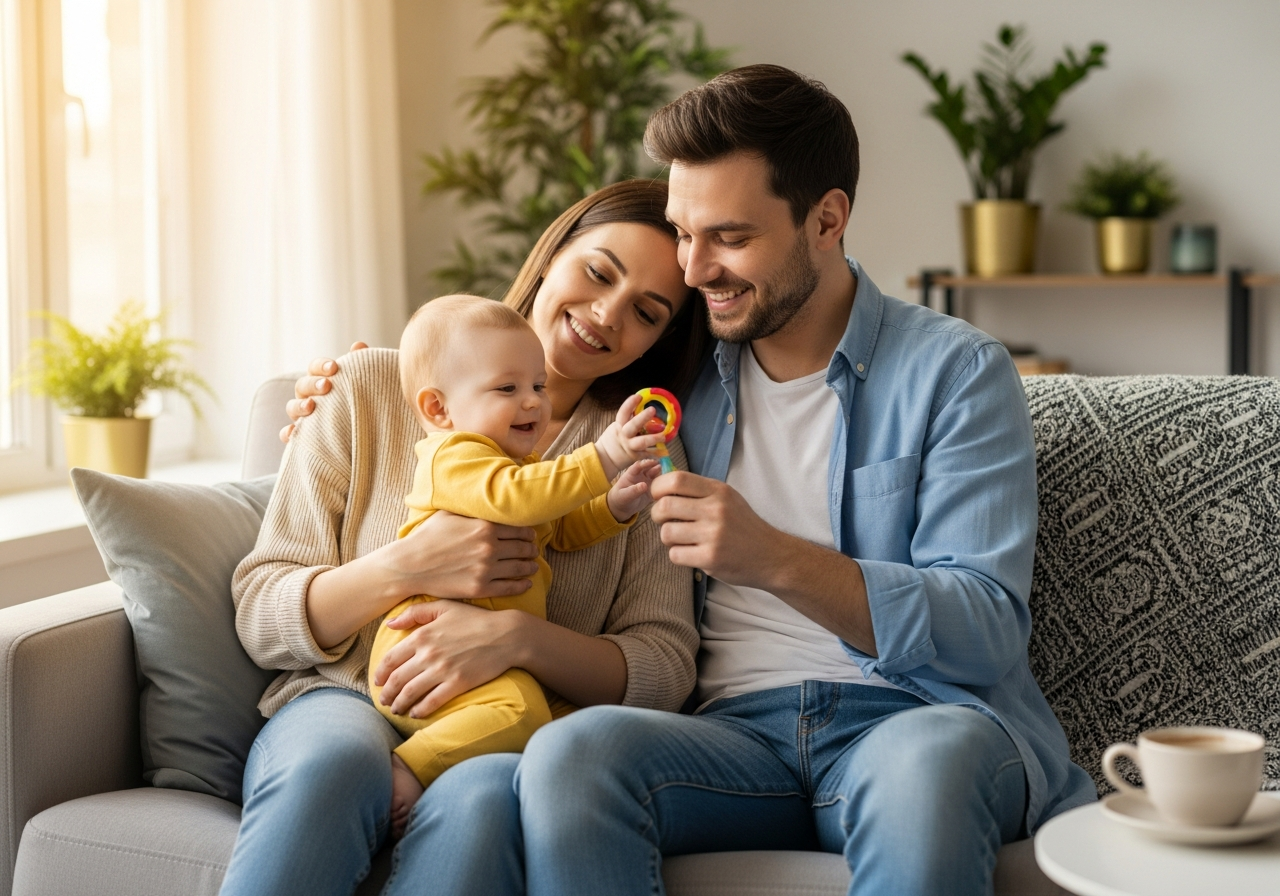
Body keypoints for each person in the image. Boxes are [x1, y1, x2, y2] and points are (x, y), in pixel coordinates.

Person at [502, 65, 1097, 896]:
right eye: (683, 232)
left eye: (729, 238)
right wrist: (372, 379)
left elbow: (985, 626)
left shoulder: (955, 372)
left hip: (913, 720)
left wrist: (773, 557)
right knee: (573, 755)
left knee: (926, 768)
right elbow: (521, 384)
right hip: (729, 738)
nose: (694, 269)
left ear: (826, 219)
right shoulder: (677, 368)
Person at [221, 179, 709, 896]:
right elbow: (262, 613)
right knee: (332, 764)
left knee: (483, 803)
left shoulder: (638, 449)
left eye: (646, 312)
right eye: (598, 272)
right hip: (346, 697)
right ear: (552, 253)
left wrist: (516, 640)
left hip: (496, 722)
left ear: (659, 339)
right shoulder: (368, 387)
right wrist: (407, 566)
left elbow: (664, 667)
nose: (607, 314)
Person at [375, 295, 668, 833]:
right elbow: (519, 500)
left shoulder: (520, 466)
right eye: (507, 389)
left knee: (575, 727)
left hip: (488, 660)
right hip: (418, 653)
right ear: (439, 409)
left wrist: (614, 507)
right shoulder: (454, 457)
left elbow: (558, 529)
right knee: (521, 715)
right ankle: (408, 767)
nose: (533, 402)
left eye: (538, 385)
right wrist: (603, 458)